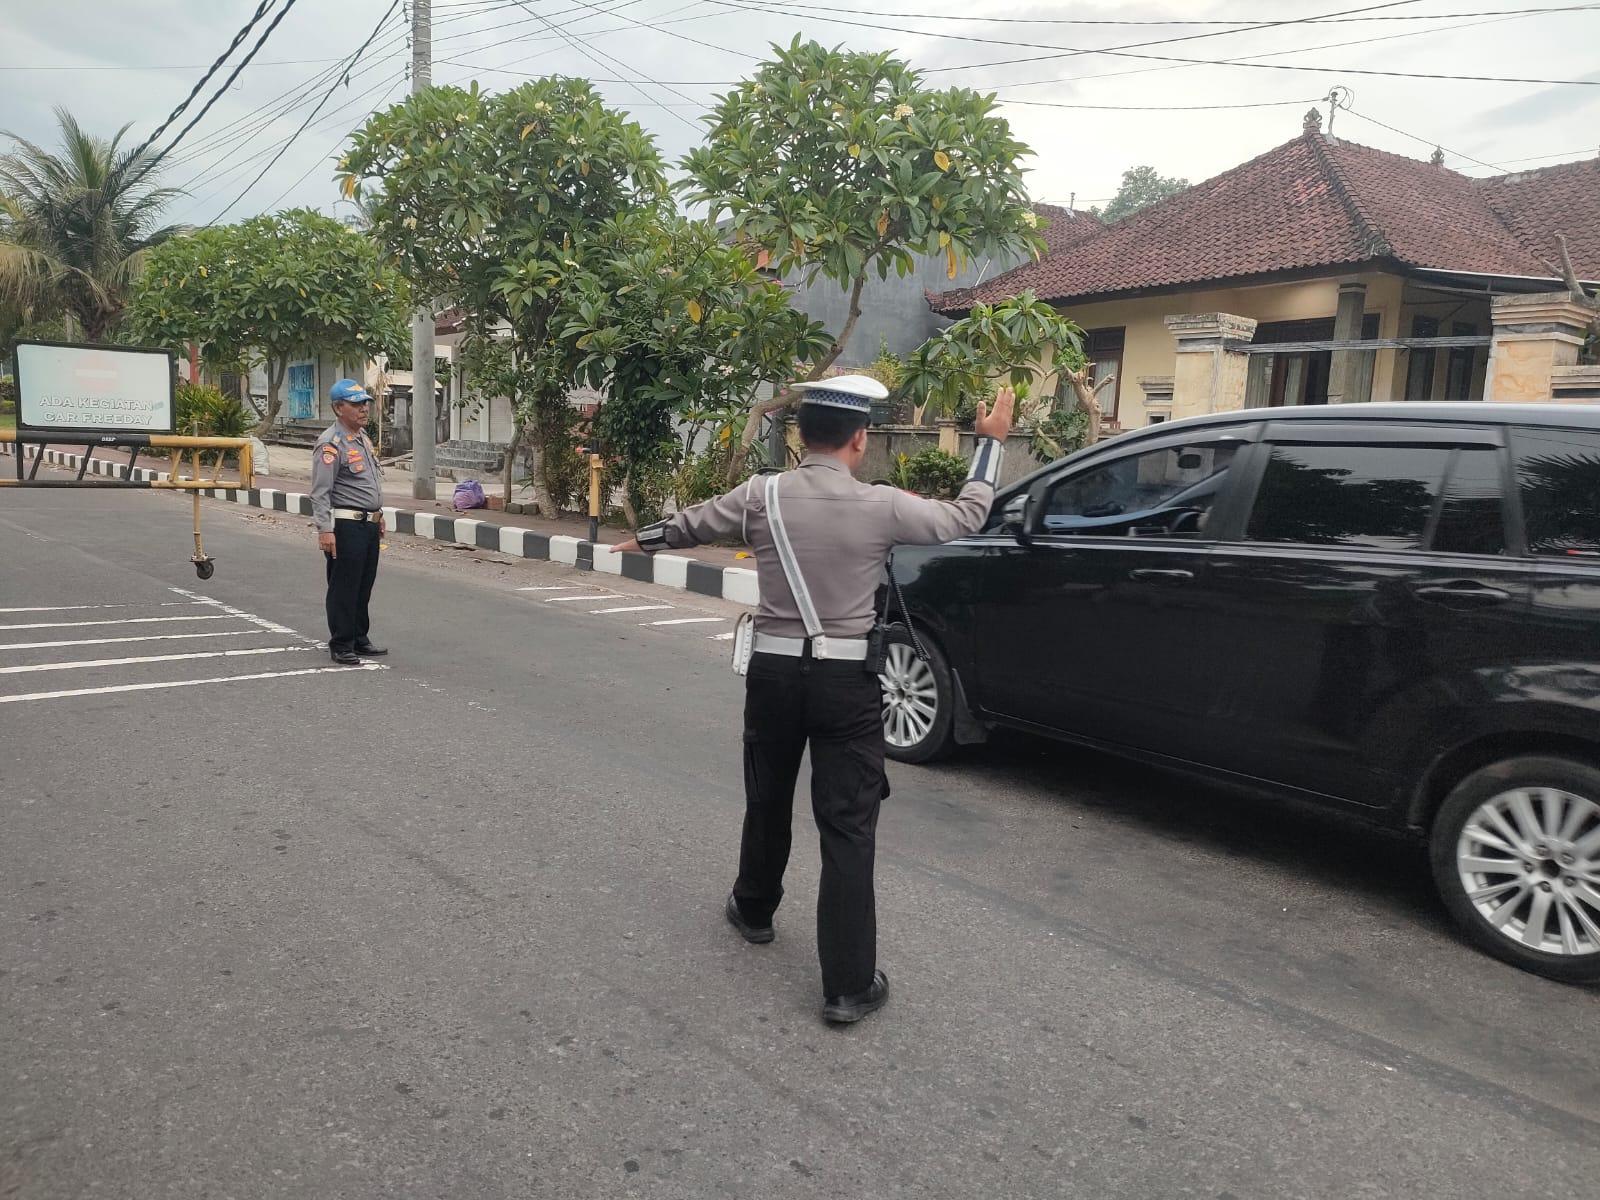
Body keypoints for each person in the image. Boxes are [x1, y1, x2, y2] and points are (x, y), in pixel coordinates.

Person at [611, 376, 1013, 1023]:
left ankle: (754, 908)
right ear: (860, 439)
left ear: (799, 435)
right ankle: (848, 986)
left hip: (771, 675)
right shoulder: (882, 505)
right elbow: (967, 516)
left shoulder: (761, 494)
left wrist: (641, 541)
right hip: (845, 684)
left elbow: (692, 525)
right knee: (848, 826)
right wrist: (990, 444)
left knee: (767, 797)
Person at [309, 379, 388, 666]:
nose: (364, 409)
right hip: (346, 526)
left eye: (365, 403)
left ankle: (358, 637)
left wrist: (378, 515)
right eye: (356, 404)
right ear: (338, 407)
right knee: (344, 585)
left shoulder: (361, 438)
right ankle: (341, 643)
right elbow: (320, 492)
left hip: (368, 524)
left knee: (364, 583)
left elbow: (369, 482)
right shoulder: (331, 443)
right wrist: (325, 530)